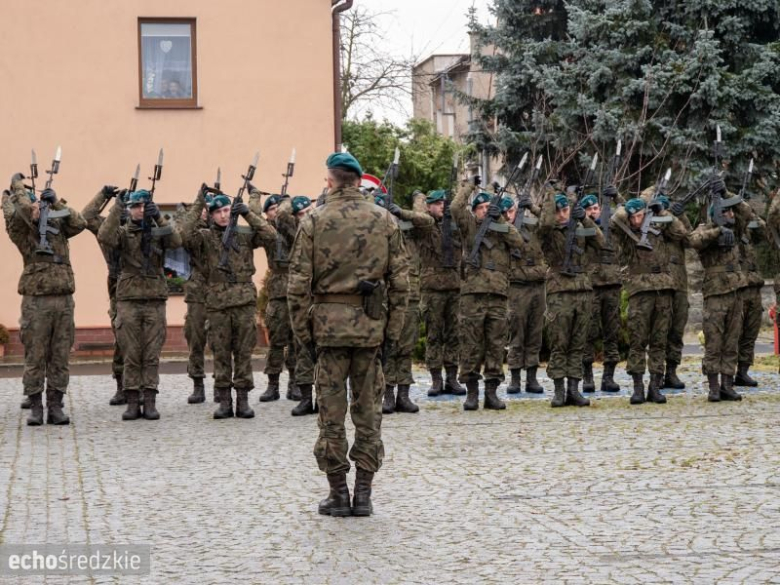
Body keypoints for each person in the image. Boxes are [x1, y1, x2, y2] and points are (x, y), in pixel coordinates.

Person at [287, 152, 408, 517]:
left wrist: (304, 334)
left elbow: (297, 285)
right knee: (369, 413)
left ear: (330, 181)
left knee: (331, 414)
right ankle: (364, 495)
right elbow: (401, 284)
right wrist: (392, 333)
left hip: (328, 331)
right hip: (370, 330)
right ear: (358, 180)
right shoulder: (384, 219)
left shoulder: (313, 220)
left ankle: (338, 494)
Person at [181, 188, 277, 419]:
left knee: (243, 351)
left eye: (226, 210)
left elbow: (271, 235)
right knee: (221, 352)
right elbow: (183, 234)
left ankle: (243, 400)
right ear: (211, 214)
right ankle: (224, 401)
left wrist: (247, 213)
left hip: (243, 300)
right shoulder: (205, 237)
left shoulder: (244, 234)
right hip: (217, 303)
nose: (223, 215)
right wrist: (199, 202)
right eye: (218, 212)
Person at [6, 173, 86, 425]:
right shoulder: (22, 231)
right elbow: (20, 209)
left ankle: (55, 405)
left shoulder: (59, 228)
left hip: (64, 299)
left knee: (60, 355)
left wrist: (57, 203)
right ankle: (35, 407)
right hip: (36, 302)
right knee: (35, 355)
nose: (37, 208)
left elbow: (80, 223)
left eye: (40, 205)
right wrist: (17, 186)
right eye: (34, 205)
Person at [98, 189, 182, 420]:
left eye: (144, 206)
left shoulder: (158, 231)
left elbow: (176, 241)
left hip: (155, 300)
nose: (140, 210)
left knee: (152, 354)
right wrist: (117, 207)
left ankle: (150, 400)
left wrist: (159, 217)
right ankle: (133, 401)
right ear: (130, 209)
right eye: (136, 206)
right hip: (128, 300)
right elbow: (104, 235)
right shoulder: (123, 233)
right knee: (131, 353)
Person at [451, 173, 526, 411]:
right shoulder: (469, 226)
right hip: (473, 295)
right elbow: (455, 207)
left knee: (496, 344)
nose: (485, 210)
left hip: (498, 295)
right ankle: (472, 393)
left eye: (488, 207)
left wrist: (500, 219)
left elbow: (519, 243)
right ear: (475, 211)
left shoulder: (502, 228)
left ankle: (491, 393)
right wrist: (470, 186)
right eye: (481, 207)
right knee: (471, 344)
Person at [610, 196, 688, 404]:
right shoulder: (625, 233)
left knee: (659, 341)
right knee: (638, 341)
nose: (637, 220)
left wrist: (662, 211)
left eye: (640, 216)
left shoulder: (658, 228)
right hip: (640, 291)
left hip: (663, 289)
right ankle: (638, 387)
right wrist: (630, 207)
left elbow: (681, 233)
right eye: (633, 217)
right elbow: (615, 219)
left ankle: (655, 386)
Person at [538, 190, 604, 407]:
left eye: (565, 210)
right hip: (559, 291)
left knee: (578, 343)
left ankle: (574, 389)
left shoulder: (580, 229)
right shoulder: (548, 232)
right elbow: (544, 224)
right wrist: (549, 197)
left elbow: (601, 242)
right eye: (558, 211)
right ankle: (559, 391)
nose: (562, 214)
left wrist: (584, 217)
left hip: (582, 290)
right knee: (560, 342)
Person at [688, 183, 749, 402]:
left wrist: (726, 194)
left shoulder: (735, 229)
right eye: (726, 212)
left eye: (731, 211)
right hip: (715, 294)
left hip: (735, 291)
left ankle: (727, 385)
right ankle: (713, 387)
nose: (731, 214)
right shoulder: (706, 229)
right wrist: (717, 230)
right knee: (714, 341)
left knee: (732, 341)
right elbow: (693, 241)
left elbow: (746, 211)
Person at [404, 189, 467, 397]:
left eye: (443, 203)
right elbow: (416, 216)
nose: (442, 206)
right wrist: (419, 197)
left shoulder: (453, 224)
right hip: (432, 289)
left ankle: (452, 378)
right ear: (429, 206)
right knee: (434, 336)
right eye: (437, 203)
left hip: (454, 287)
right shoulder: (424, 226)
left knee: (454, 335)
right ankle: (436, 380)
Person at [380, 191, 435, 414]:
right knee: (387, 347)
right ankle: (387, 395)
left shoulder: (412, 232)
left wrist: (402, 212)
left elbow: (427, 220)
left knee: (406, 347)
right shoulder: (377, 232)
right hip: (384, 297)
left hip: (409, 296)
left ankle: (403, 395)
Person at [249, 191, 299, 402]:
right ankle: (273, 384)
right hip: (278, 291)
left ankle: (295, 383)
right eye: (271, 209)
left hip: (299, 288)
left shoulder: (294, 226)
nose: (276, 211)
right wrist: (254, 197)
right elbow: (254, 219)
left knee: (297, 340)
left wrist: (287, 203)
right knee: (277, 341)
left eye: (279, 208)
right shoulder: (267, 232)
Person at [81, 185, 127, 405]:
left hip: (142, 285)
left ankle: (142, 387)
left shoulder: (142, 226)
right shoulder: (106, 229)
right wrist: (104, 195)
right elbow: (86, 217)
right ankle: (121, 385)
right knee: (121, 336)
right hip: (118, 284)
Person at [274, 194, 318, 416]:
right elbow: (281, 215)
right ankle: (306, 397)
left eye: (309, 211)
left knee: (327, 348)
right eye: (301, 214)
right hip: (302, 295)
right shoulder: (295, 232)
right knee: (303, 346)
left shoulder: (324, 226)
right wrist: (287, 200)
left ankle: (325, 397)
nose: (306, 216)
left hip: (323, 294)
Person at [502, 193, 547, 394]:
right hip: (516, 288)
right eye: (504, 212)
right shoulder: (500, 232)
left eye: (511, 211)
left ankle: (532, 377)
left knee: (535, 334)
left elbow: (549, 223)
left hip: (537, 286)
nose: (508, 215)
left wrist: (534, 208)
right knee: (517, 334)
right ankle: (514, 378)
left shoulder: (531, 227)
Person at [580, 190, 622, 393]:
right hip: (591, 286)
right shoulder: (581, 229)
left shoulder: (612, 225)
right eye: (589, 209)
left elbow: (630, 213)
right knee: (588, 332)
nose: (593, 212)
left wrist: (617, 197)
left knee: (612, 333)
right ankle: (587, 375)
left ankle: (609, 377)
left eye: (596, 208)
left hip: (612, 284)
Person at [177, 198, 212, 403]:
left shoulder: (223, 228)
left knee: (222, 341)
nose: (206, 212)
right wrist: (197, 210)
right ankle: (198, 384)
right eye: (203, 209)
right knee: (196, 338)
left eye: (209, 208)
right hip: (197, 291)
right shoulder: (192, 230)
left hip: (220, 289)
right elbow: (183, 234)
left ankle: (222, 384)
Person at [663, 195, 693, 390]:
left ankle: (671, 371)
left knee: (676, 330)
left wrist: (682, 216)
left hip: (679, 286)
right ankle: (657, 372)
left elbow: (690, 240)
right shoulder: (651, 225)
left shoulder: (677, 226)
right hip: (660, 287)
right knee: (658, 332)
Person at [734, 204, 766, 387]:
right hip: (738, 289)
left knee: (750, 333)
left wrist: (751, 213)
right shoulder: (730, 228)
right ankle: (727, 373)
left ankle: (743, 371)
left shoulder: (749, 231)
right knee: (734, 334)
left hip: (754, 288)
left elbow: (765, 231)